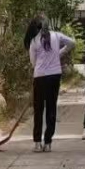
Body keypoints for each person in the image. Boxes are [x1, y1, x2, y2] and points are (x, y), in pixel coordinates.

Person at [27, 16, 75, 152]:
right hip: (54, 76)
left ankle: (37, 143)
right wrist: (58, 54)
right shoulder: (57, 35)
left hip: (40, 77)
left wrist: (40, 67)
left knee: (38, 110)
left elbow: (33, 62)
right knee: (51, 109)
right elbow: (72, 43)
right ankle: (48, 143)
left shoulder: (34, 40)